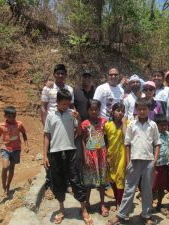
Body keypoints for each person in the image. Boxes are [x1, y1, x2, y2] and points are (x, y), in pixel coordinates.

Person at [107, 97, 161, 225]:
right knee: (129, 189)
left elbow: (157, 143)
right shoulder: (132, 125)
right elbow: (127, 144)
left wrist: (155, 160)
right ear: (136, 110)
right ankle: (121, 215)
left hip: (148, 161)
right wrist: (128, 161)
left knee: (147, 189)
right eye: (140, 109)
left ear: (149, 110)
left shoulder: (153, 125)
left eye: (145, 109)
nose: (142, 112)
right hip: (134, 161)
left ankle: (146, 215)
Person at [43, 89, 92, 225]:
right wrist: (44, 155)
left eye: (67, 104)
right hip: (55, 152)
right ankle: (62, 209)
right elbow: (47, 135)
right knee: (58, 180)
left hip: (70, 151)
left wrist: (78, 118)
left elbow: (80, 132)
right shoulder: (50, 116)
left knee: (75, 179)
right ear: (57, 102)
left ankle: (83, 210)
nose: (65, 106)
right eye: (63, 104)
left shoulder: (72, 114)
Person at [41, 64, 74, 198]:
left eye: (63, 73)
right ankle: (50, 184)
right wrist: (46, 126)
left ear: (66, 75)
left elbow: (71, 106)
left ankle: (66, 183)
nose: (60, 76)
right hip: (52, 122)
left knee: (66, 156)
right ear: (54, 74)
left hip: (65, 123)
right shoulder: (47, 88)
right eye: (58, 73)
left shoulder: (69, 89)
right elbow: (43, 107)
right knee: (50, 156)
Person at [0, 106, 29, 196]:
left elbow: (24, 134)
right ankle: (3, 185)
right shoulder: (1, 126)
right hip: (5, 148)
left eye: (13, 116)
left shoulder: (19, 124)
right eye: (9, 117)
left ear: (15, 115)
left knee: (12, 168)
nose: (12, 119)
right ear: (5, 116)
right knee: (5, 167)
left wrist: (26, 145)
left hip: (16, 149)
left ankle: (8, 186)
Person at [81, 99, 109, 217]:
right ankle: (87, 203)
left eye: (96, 109)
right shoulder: (84, 124)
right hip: (89, 156)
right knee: (88, 182)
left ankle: (102, 204)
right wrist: (84, 156)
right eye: (91, 109)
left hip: (102, 155)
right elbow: (82, 140)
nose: (94, 111)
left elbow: (107, 139)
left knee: (102, 182)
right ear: (87, 110)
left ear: (99, 110)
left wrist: (107, 155)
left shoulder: (104, 122)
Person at [104, 103, 127, 210]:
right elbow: (105, 142)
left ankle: (119, 202)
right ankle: (117, 198)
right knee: (112, 179)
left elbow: (126, 137)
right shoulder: (107, 125)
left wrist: (124, 123)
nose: (120, 113)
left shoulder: (127, 123)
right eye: (118, 110)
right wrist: (106, 156)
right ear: (112, 112)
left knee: (120, 178)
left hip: (123, 156)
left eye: (122, 111)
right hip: (111, 156)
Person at [152, 114, 169, 216]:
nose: (163, 127)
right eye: (161, 125)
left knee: (162, 187)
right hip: (155, 165)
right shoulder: (153, 135)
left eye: (165, 125)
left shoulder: (168, 135)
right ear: (156, 125)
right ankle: (149, 206)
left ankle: (159, 204)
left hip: (164, 165)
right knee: (152, 187)